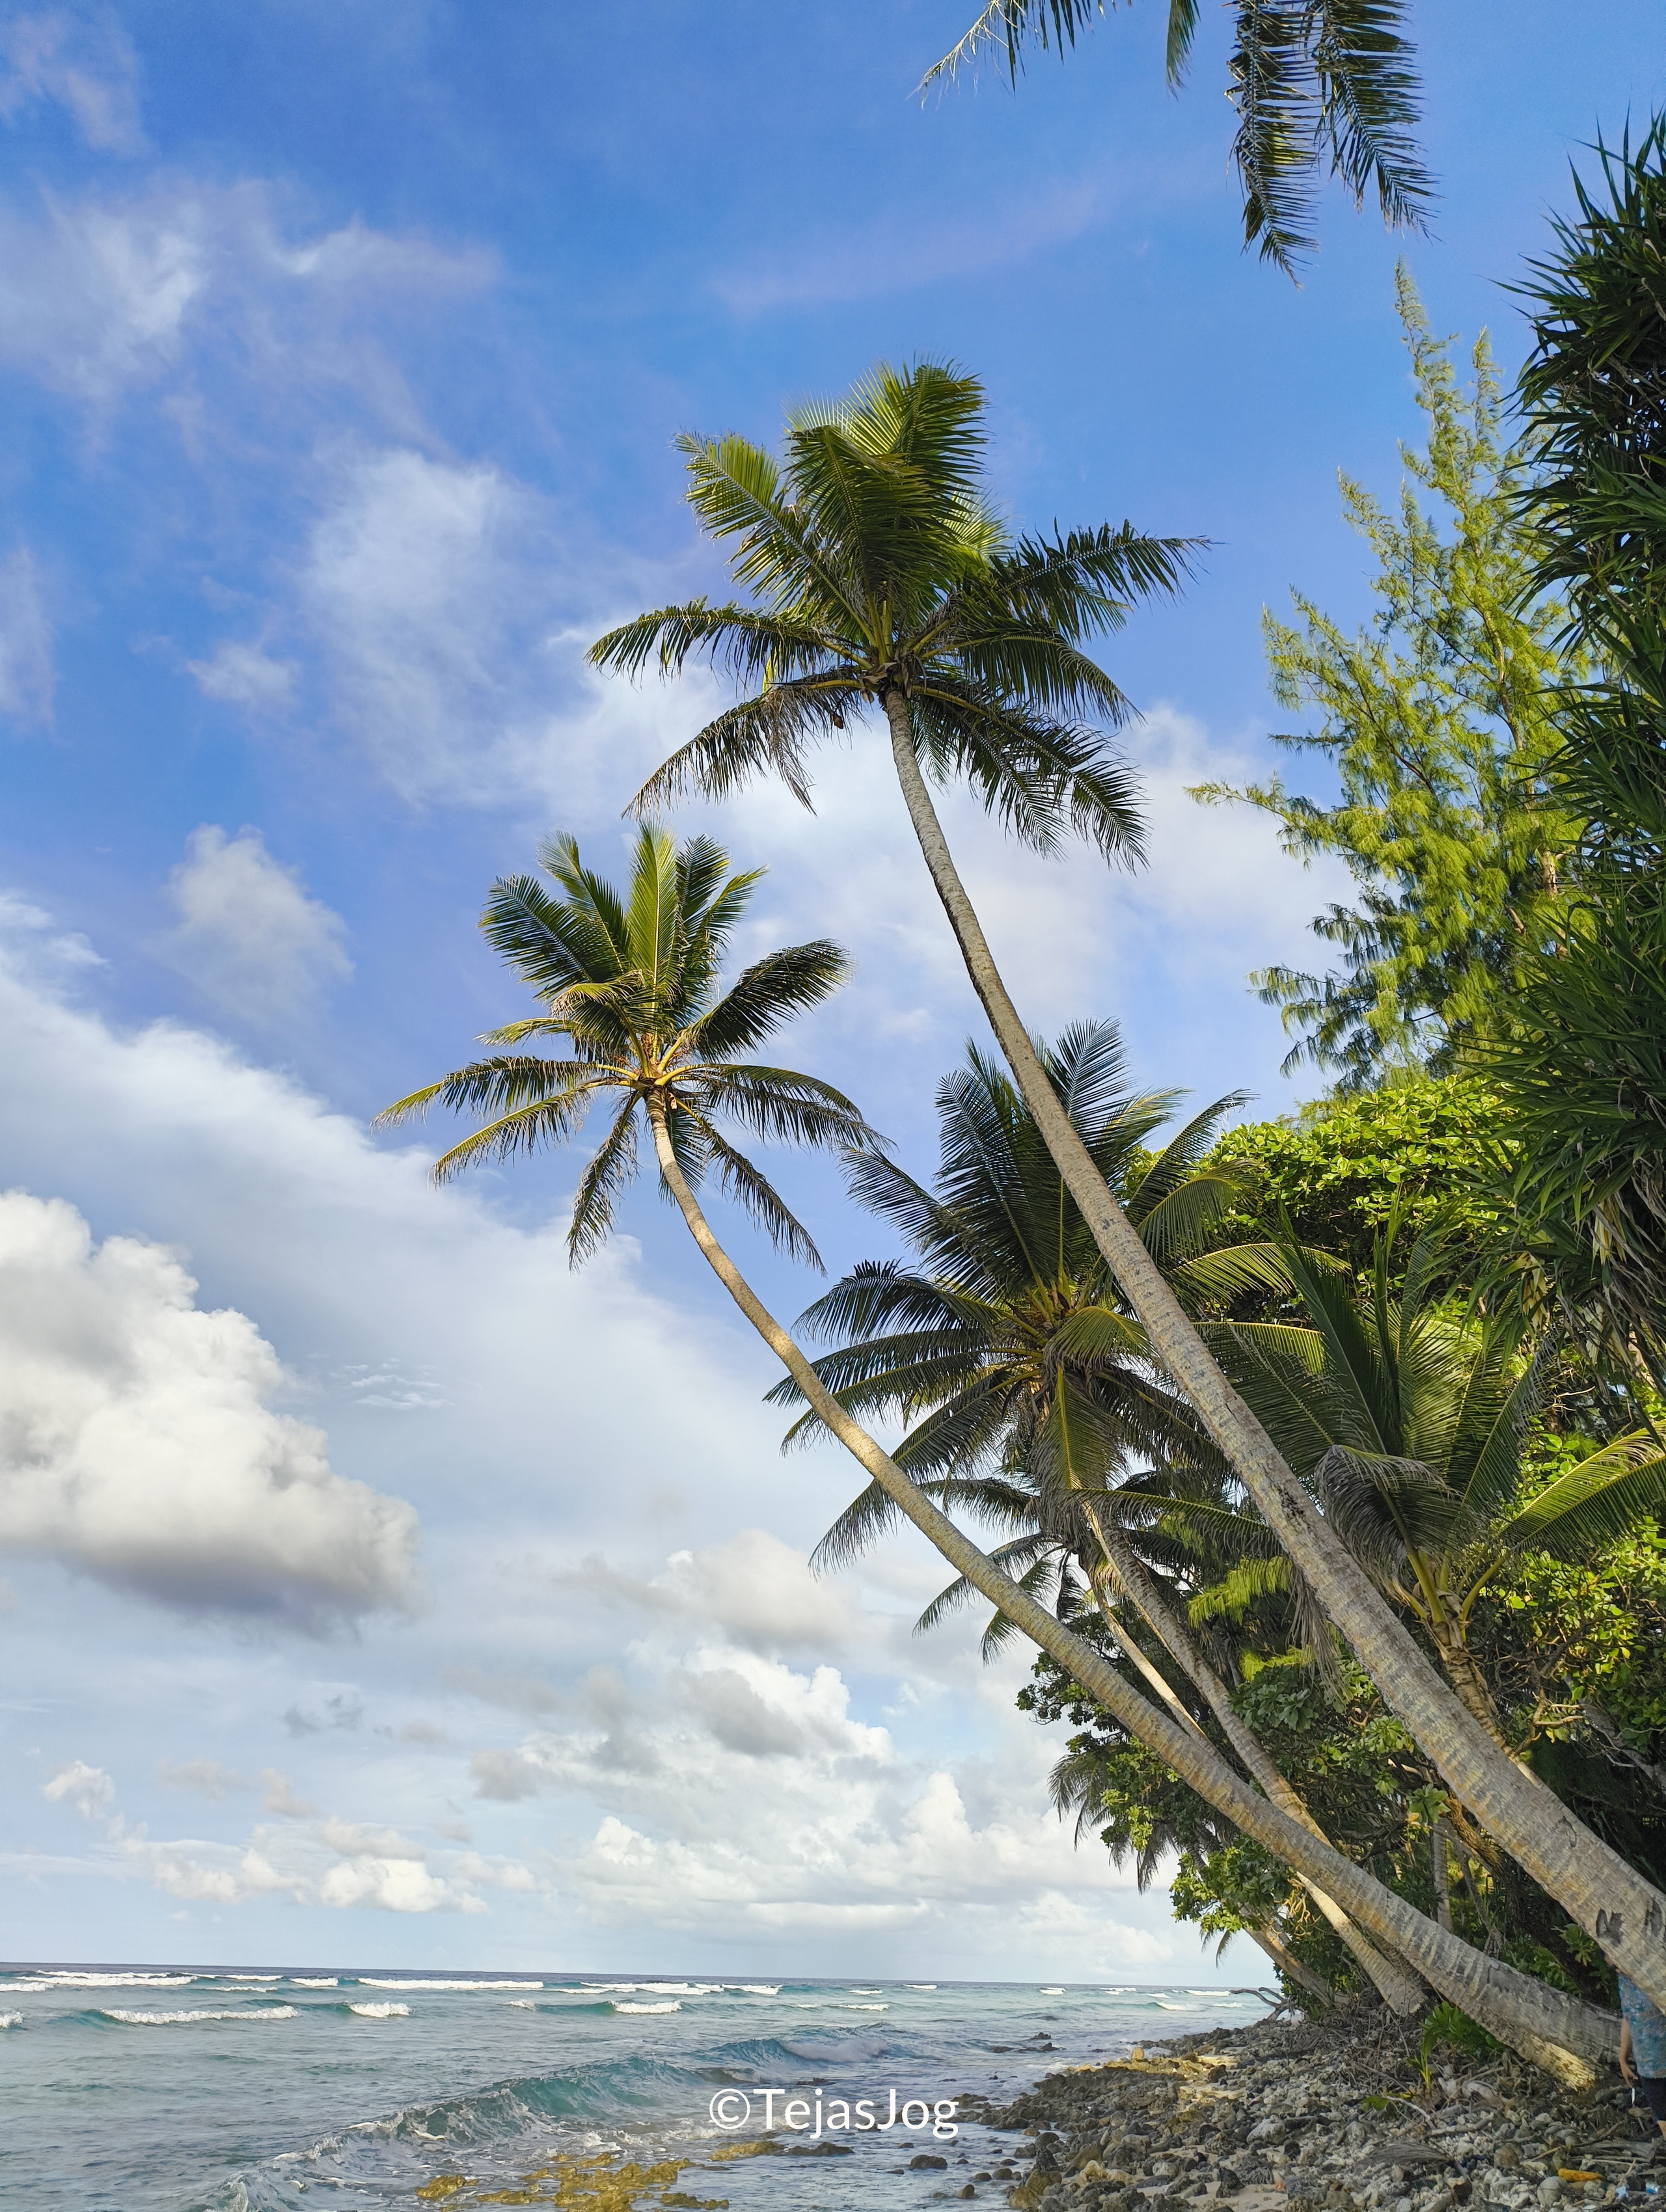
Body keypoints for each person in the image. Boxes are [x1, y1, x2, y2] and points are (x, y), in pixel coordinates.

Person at [1619, 1973, 1666, 2153]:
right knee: (1663, 2121)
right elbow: (1627, 2017)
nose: (1617, 1970)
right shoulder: (1623, 1981)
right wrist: (1622, 2058)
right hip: (1648, 2067)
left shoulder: (1650, 1969)